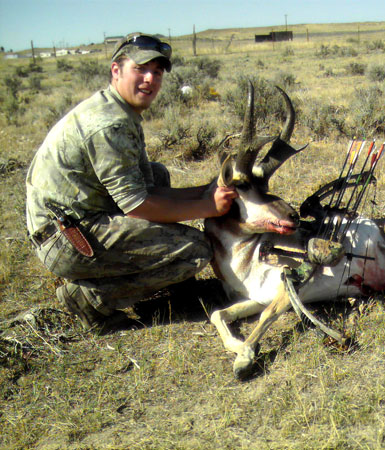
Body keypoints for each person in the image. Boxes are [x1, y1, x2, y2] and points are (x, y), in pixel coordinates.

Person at [25, 32, 237, 332]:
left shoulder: (119, 110)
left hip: (72, 220)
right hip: (67, 239)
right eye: (141, 69)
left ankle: (179, 289)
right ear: (116, 70)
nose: (150, 79)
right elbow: (136, 204)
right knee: (195, 250)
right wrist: (207, 207)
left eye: (157, 72)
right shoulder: (109, 123)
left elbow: (148, 189)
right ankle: (90, 298)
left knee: (158, 173)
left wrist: (203, 191)